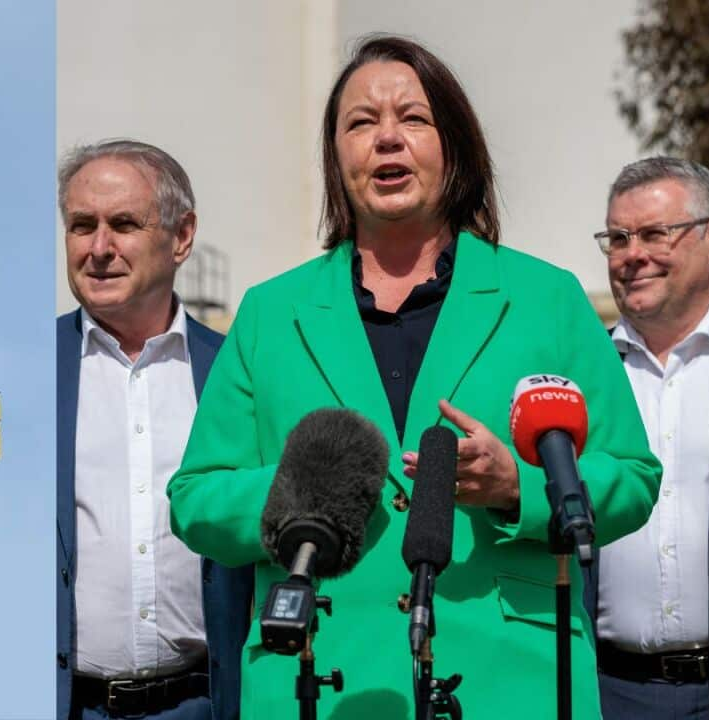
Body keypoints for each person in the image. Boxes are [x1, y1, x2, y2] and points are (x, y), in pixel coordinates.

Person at [167, 36, 662, 719]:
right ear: (336, 157)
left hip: (513, 686)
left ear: (453, 145)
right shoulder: (268, 314)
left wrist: (519, 488)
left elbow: (632, 474)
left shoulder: (547, 298)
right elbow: (195, 499)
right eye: (361, 123)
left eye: (413, 119)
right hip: (317, 682)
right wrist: (295, 495)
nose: (387, 139)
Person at [55, 139, 255, 720]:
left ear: (182, 237)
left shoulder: (234, 372)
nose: (98, 249)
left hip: (205, 704)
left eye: (123, 224)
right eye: (80, 225)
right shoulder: (39, 375)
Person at [586, 157, 709, 718]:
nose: (632, 255)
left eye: (654, 234)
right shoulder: (579, 375)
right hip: (607, 691)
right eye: (618, 238)